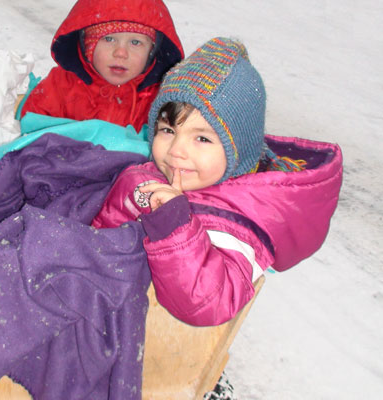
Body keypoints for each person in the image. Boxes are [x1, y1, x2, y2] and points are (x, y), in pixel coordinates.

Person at [91, 37, 343, 326]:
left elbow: (205, 303)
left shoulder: (237, 220)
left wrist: (174, 226)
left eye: (202, 138)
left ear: (239, 149)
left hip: (145, 338)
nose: (176, 150)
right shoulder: (179, 174)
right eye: (167, 130)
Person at [19, 0, 184, 133]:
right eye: (109, 39)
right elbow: (32, 130)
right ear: (88, 46)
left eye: (135, 42)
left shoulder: (159, 99)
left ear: (152, 51)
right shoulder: (60, 86)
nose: (121, 53)